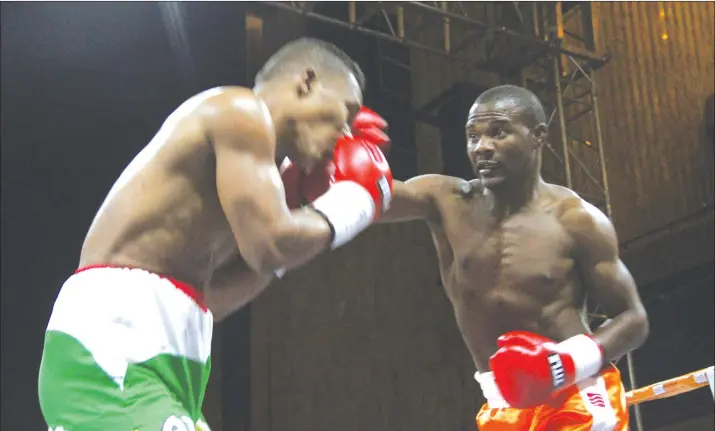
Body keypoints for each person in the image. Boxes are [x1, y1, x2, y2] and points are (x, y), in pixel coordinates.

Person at [38, 38, 393, 431]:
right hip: (112, 347)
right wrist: (354, 202)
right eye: (346, 112)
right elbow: (271, 247)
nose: (345, 133)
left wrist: (298, 214)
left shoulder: (248, 182)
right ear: (306, 81)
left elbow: (213, 301)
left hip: (169, 361)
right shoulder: (239, 110)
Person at [377, 85, 649, 430]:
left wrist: (566, 363)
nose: (482, 147)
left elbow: (633, 318)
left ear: (538, 136)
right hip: (501, 402)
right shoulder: (446, 200)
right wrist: (322, 160)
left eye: (498, 133)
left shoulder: (576, 220)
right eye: (472, 136)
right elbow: (370, 200)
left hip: (573, 393)